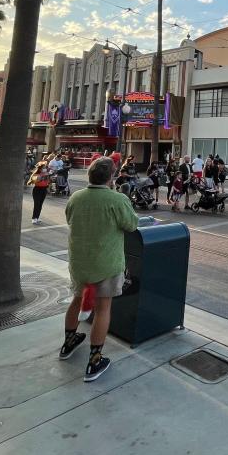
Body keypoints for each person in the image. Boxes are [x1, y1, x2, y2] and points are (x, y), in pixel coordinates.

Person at [60, 156, 139, 382]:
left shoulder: (76, 197)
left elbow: (69, 219)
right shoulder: (117, 199)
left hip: (79, 262)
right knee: (103, 309)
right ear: (112, 177)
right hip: (106, 263)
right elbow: (131, 224)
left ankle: (68, 343)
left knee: (77, 300)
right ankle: (94, 361)